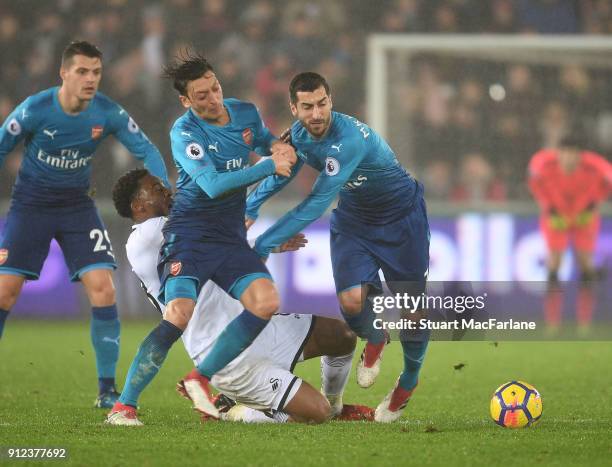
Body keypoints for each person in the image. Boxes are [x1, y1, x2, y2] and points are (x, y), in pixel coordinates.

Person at [108, 52, 297, 419]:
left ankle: (200, 378)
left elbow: (262, 139)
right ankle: (123, 406)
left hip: (227, 237)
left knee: (265, 301)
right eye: (201, 96)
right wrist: (269, 166)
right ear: (185, 101)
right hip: (190, 234)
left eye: (215, 89)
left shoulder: (244, 111)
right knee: (179, 312)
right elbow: (211, 185)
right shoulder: (185, 132)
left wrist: (276, 146)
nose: (212, 100)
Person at [106, 169, 369, 425]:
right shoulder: (145, 236)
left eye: (162, 185)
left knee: (342, 335)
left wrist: (262, 245)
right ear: (138, 206)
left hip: (257, 327)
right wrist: (266, 167)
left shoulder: (177, 235)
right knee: (316, 413)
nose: (166, 190)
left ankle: (336, 406)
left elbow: (218, 247)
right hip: (225, 354)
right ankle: (238, 413)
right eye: (155, 189)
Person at [246, 72, 430, 423]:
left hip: (402, 220)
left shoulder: (348, 139)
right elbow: (280, 173)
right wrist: (251, 208)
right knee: (350, 302)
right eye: (307, 107)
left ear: (330, 101)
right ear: (294, 107)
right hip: (355, 221)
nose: (316, 114)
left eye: (322, 104)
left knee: (413, 311)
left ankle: (407, 384)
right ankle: (376, 338)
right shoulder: (299, 134)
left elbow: (316, 204)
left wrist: (266, 243)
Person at [0, 41, 169, 408]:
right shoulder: (35, 109)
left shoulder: (107, 113)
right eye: (82, 71)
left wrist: (166, 193)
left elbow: (148, 151)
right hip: (31, 206)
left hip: (77, 206)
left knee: (103, 289)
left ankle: (107, 391)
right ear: (64, 73)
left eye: (96, 72)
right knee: (4, 292)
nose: (90, 79)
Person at [528, 134, 611, 333]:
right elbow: (534, 182)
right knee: (554, 262)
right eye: (565, 153)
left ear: (580, 156)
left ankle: (584, 323)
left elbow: (608, 182)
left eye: (573, 154)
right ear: (558, 153)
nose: (569, 158)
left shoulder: (596, 165)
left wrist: (593, 206)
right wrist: (548, 207)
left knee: (585, 263)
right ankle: (552, 322)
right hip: (557, 216)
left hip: (584, 216)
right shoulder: (542, 163)